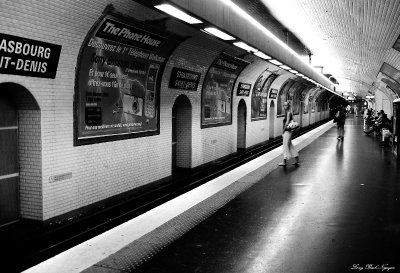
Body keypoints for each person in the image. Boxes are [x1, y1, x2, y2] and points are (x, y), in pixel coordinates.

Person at [278, 101, 300, 166]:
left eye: (286, 105)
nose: (284, 107)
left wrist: (283, 131)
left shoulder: (288, 113)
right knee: (290, 146)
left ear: (288, 106)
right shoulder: (289, 113)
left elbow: (287, 123)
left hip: (287, 132)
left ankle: (284, 161)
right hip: (289, 132)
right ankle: (297, 159)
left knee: (285, 146)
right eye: (284, 105)